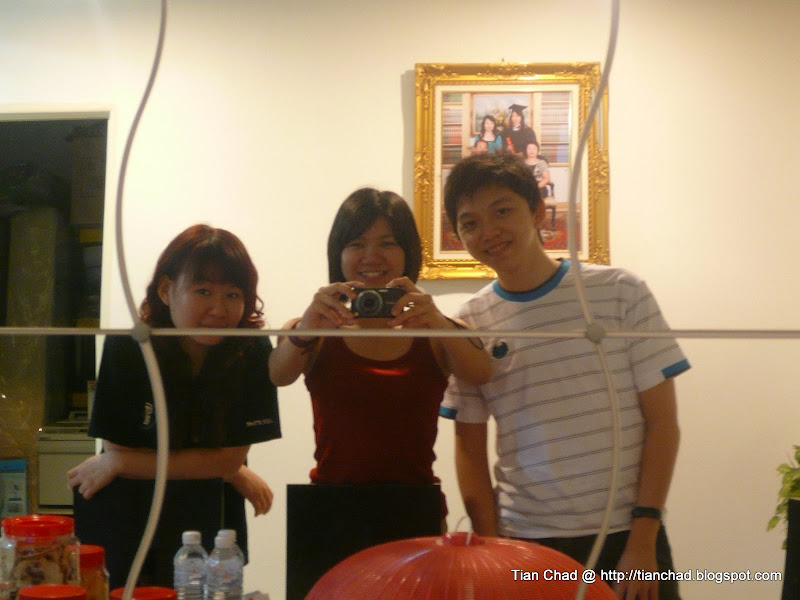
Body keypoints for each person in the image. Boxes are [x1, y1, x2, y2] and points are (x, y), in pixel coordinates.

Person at [440, 153, 690, 600]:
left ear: (538, 212)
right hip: (524, 541)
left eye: (502, 211)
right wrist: (492, 548)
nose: (488, 231)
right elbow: (469, 449)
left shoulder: (620, 291)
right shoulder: (469, 323)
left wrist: (643, 539)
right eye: (470, 223)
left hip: (623, 535)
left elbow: (663, 424)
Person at [67, 224, 281, 588]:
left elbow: (224, 460)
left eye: (233, 294)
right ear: (167, 290)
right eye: (203, 291)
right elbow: (123, 450)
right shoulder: (130, 348)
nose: (219, 308)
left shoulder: (251, 350)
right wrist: (225, 469)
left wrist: (121, 463)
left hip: (208, 510)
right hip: (129, 509)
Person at [269, 187, 490, 491]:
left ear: (408, 252)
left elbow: (481, 373)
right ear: (338, 253)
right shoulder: (312, 332)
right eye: (356, 243)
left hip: (414, 504)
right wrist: (308, 327)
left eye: (388, 243)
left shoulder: (435, 333)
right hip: (330, 504)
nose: (371, 256)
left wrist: (437, 320)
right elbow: (278, 375)